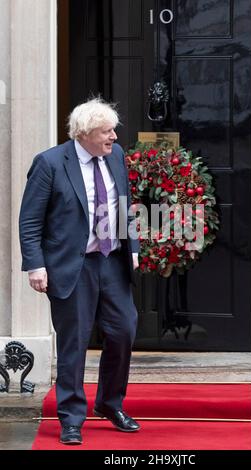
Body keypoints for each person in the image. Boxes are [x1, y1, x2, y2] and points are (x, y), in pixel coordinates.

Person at [19, 97, 141, 445]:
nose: (114, 137)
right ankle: (71, 418)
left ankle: (109, 402)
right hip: (72, 267)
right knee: (74, 342)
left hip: (112, 263)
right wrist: (35, 265)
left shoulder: (115, 157)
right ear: (85, 133)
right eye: (106, 131)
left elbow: (123, 204)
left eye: (113, 130)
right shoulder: (50, 163)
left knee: (124, 330)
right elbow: (30, 219)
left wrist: (131, 247)